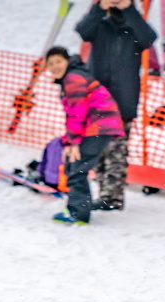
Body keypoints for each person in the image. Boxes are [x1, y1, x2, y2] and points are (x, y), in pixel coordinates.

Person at [75, 0, 157, 211]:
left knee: (117, 151)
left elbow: (148, 38)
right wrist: (99, 7)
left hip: (123, 101)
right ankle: (105, 193)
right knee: (99, 150)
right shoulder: (99, 22)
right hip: (97, 99)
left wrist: (128, 8)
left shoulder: (134, 23)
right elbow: (83, 31)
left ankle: (112, 198)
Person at [44, 47, 127, 225]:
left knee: (77, 168)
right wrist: (69, 141)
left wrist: (73, 141)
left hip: (99, 125)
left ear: (67, 61)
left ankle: (79, 213)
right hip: (98, 125)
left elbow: (77, 112)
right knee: (74, 165)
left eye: (58, 61)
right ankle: (76, 206)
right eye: (51, 64)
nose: (55, 66)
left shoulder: (73, 78)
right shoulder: (72, 77)